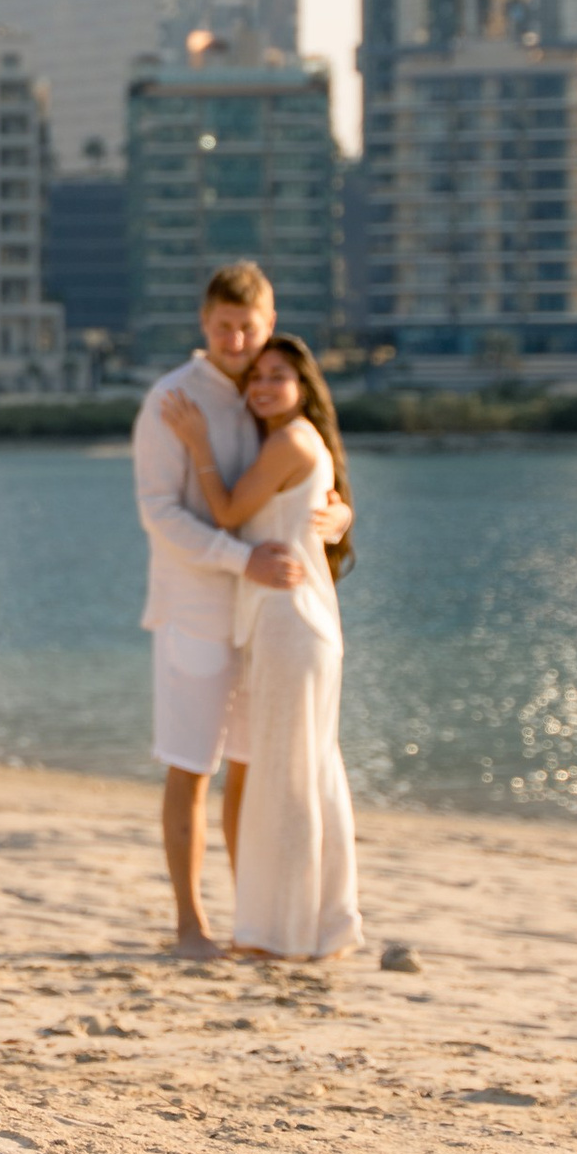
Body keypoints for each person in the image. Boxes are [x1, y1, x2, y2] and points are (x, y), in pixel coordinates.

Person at [131, 261, 350, 957]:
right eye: (224, 327)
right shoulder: (172, 399)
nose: (236, 340)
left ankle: (251, 918)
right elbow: (159, 512)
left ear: (268, 324)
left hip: (265, 620)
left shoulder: (268, 397)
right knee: (191, 765)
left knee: (253, 769)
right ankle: (191, 924)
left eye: (248, 327)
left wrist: (338, 519)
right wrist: (239, 559)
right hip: (196, 607)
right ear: (205, 324)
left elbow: (307, 483)